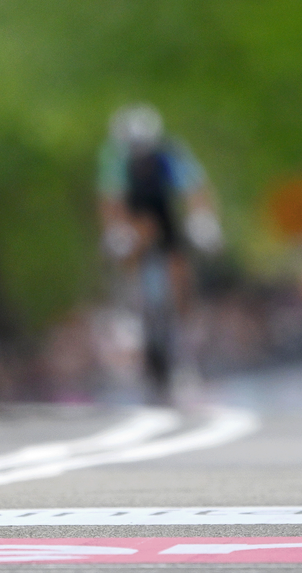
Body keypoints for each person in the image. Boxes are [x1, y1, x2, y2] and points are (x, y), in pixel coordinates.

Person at [97, 104, 222, 397]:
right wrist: (115, 230)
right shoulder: (114, 157)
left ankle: (184, 330)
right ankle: (132, 308)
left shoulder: (171, 153)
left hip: (164, 213)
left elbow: (195, 189)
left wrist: (203, 220)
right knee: (128, 252)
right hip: (134, 217)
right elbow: (110, 198)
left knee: (179, 270)